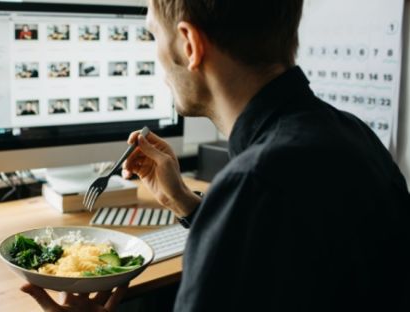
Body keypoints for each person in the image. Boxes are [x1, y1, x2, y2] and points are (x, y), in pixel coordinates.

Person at [22, 0, 410, 311]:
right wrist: (186, 204)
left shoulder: (254, 183)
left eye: (153, 35)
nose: (155, 57)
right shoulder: (352, 133)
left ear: (189, 45)